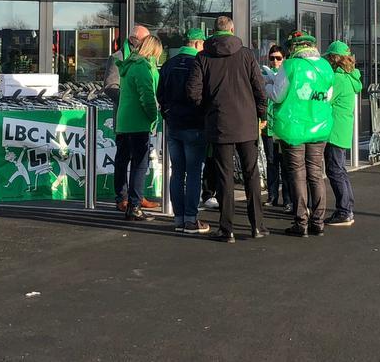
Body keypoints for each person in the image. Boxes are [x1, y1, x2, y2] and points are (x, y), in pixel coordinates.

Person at [186, 16, 268, 242]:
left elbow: (193, 91)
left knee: (224, 176)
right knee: (251, 174)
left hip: (219, 122)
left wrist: (208, 110)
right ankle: (257, 226)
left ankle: (226, 228)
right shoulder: (246, 54)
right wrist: (261, 114)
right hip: (246, 122)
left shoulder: (203, 56)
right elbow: (259, 88)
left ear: (213, 31)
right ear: (232, 30)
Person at [266, 31, 334, 237]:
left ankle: (301, 222)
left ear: (294, 48)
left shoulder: (291, 66)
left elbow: (277, 96)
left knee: (297, 174)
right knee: (315, 173)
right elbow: (327, 97)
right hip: (320, 127)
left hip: (293, 128)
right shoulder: (325, 66)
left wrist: (266, 84)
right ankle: (318, 221)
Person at [157, 28, 210, 235]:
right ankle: (190, 218)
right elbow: (201, 93)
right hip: (194, 124)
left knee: (177, 171)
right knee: (194, 172)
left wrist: (168, 114)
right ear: (197, 44)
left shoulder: (169, 64)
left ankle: (178, 217)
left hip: (174, 124)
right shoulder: (198, 64)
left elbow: (160, 94)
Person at [104, 25, 159, 212]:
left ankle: (137, 196)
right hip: (127, 117)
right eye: (146, 40)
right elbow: (111, 86)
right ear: (135, 40)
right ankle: (123, 197)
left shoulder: (146, 60)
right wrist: (129, 99)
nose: (148, 43)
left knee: (139, 161)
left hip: (136, 117)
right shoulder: (117, 58)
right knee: (123, 159)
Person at [114, 34, 163, 221]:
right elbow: (147, 97)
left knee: (123, 160)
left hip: (124, 121)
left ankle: (124, 199)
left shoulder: (129, 65)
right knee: (140, 164)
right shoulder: (143, 67)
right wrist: (153, 117)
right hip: (138, 121)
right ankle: (134, 205)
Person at [324, 40, 362, 227]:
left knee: (335, 171)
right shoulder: (351, 77)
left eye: (329, 57)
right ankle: (347, 208)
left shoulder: (338, 79)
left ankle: (344, 210)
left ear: (334, 58)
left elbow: (325, 101)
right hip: (344, 129)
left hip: (334, 130)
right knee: (341, 170)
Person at [261, 45, 291, 211]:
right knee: (271, 162)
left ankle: (288, 199)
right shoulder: (263, 74)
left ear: (284, 59)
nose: (275, 61)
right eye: (272, 58)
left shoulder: (286, 75)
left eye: (278, 58)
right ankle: (272, 196)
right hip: (268, 126)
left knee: (286, 164)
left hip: (283, 127)